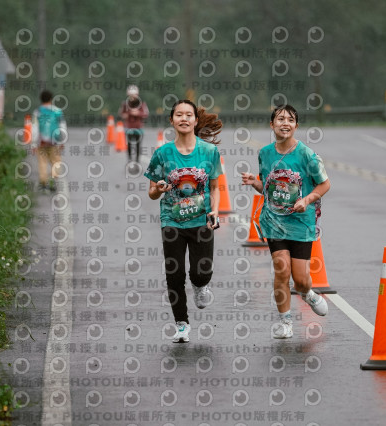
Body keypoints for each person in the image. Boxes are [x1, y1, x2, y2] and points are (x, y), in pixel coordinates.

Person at [241, 104, 331, 339]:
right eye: (280, 119)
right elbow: (268, 188)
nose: (285, 123)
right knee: (281, 270)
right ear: (272, 124)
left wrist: (307, 200)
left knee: (300, 280)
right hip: (274, 222)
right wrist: (254, 182)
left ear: (296, 126)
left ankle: (308, 294)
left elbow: (325, 184)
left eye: (290, 120)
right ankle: (285, 322)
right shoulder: (264, 153)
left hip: (301, 223)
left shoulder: (307, 155)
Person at [144, 99, 223, 343]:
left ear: (196, 120)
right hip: (172, 221)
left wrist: (215, 211)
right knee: (174, 273)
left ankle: (200, 286)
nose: (184, 119)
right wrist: (158, 189)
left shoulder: (209, 152)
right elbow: (152, 192)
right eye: (179, 114)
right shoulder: (162, 153)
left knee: (201, 272)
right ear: (172, 120)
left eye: (189, 115)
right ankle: (181, 324)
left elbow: (215, 187)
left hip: (201, 220)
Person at [31, 90, 67, 192]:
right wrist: (62, 141)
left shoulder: (37, 112)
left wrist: (33, 144)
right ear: (51, 99)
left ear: (41, 99)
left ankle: (44, 183)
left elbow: (34, 128)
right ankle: (53, 181)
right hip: (54, 141)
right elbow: (62, 126)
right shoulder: (57, 111)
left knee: (42, 162)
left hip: (41, 142)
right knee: (56, 162)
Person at [118, 85, 149, 163]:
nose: (133, 97)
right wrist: (127, 114)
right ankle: (129, 159)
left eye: (134, 95)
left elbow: (145, 114)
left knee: (138, 144)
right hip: (129, 127)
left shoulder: (142, 104)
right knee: (129, 144)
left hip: (138, 127)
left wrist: (138, 113)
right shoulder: (125, 104)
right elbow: (121, 113)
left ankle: (137, 160)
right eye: (131, 95)